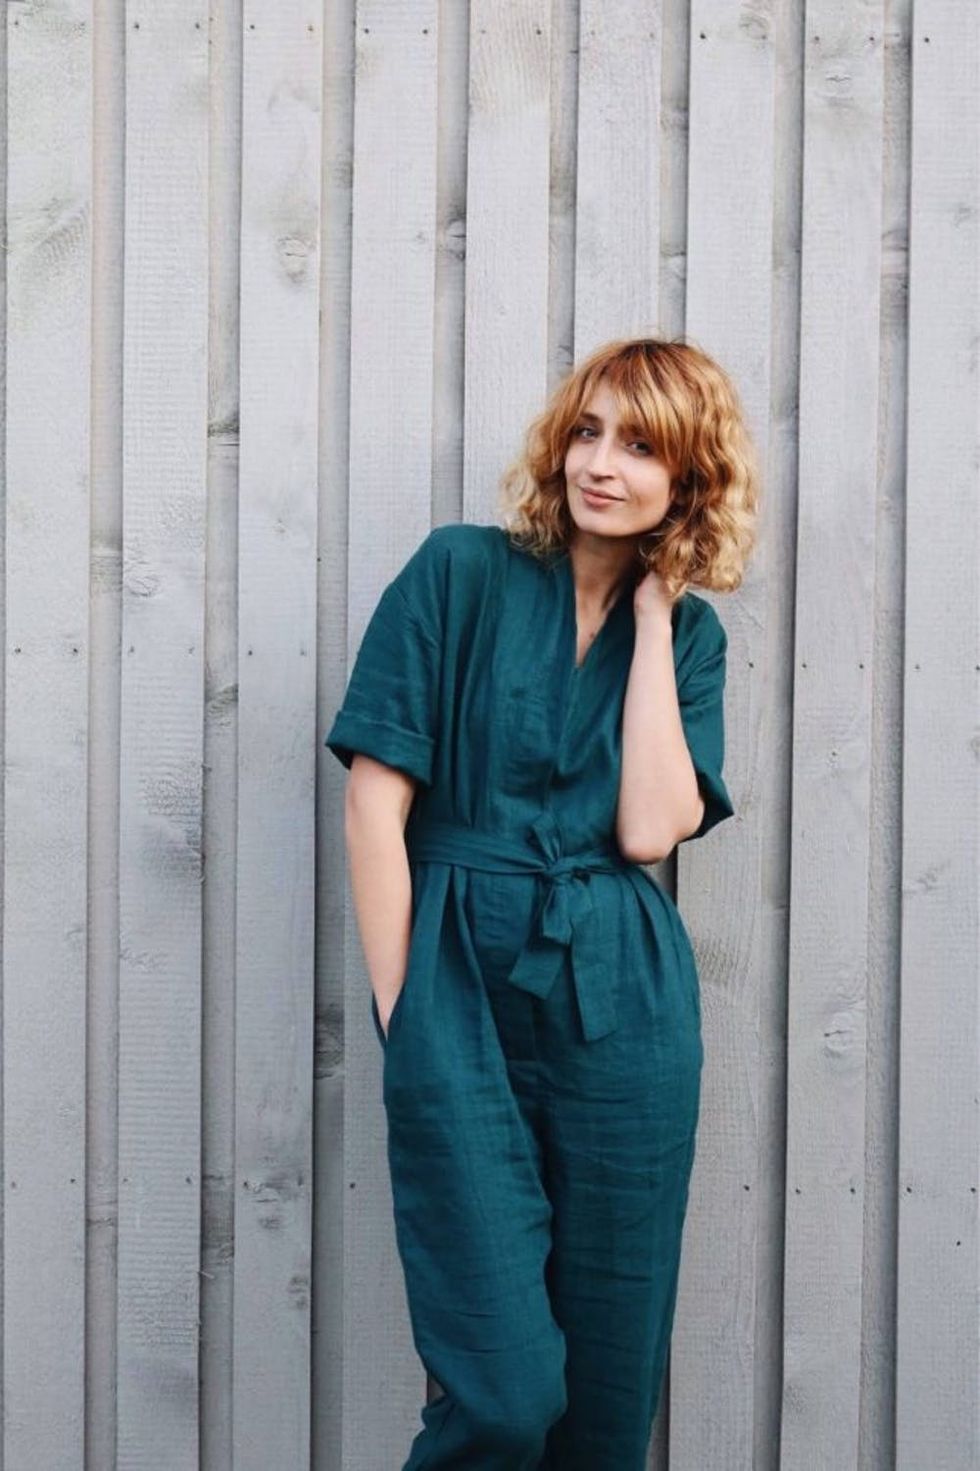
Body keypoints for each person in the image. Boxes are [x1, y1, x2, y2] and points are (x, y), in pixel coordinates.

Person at [325, 336, 759, 1470]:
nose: (600, 464)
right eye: (588, 432)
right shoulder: (458, 572)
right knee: (504, 1394)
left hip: (623, 1009)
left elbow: (647, 830)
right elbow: (375, 803)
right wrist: (406, 1008)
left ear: (689, 479)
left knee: (605, 1402)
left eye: (641, 446)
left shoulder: (690, 640)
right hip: (456, 986)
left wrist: (655, 617)